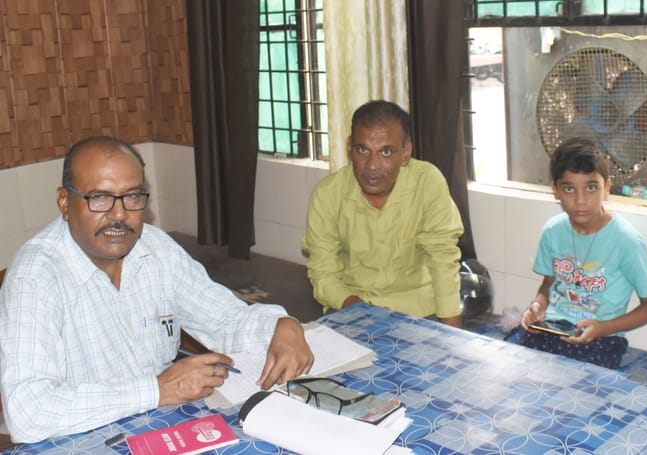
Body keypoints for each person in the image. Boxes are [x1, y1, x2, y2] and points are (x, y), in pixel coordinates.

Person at [0, 136, 314, 443]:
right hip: (82, 442)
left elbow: (224, 320)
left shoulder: (155, 248)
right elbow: (29, 412)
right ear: (64, 203)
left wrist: (280, 326)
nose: (119, 215)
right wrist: (158, 389)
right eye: (100, 198)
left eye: (132, 197)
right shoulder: (35, 278)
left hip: (162, 427)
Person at [301, 100, 464, 326]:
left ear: (405, 153)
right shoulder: (327, 194)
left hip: (419, 311)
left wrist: (451, 337)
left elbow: (443, 260)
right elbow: (323, 273)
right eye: (362, 150)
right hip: (351, 306)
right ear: (349, 148)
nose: (372, 166)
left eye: (386, 152)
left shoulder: (427, 183)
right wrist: (358, 309)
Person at [511, 137, 647, 369]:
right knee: (510, 361)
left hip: (602, 338)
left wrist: (603, 328)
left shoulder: (626, 241)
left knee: (575, 377)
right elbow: (547, 285)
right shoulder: (553, 231)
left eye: (591, 187)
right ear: (555, 191)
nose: (580, 200)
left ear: (606, 188)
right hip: (553, 327)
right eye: (569, 188)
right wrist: (537, 307)